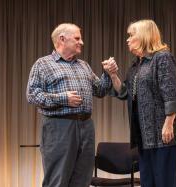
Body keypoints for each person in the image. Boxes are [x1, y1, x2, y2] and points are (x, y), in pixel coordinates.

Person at [26, 23, 117, 187]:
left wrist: (108, 74)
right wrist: (63, 99)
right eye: (77, 38)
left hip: (86, 126)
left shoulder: (83, 65)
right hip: (59, 126)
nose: (81, 42)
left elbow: (101, 91)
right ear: (62, 39)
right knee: (58, 178)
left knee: (83, 178)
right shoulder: (43, 64)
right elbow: (32, 95)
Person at [103, 19, 176, 187]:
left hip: (164, 135)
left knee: (166, 182)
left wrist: (169, 123)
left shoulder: (162, 58)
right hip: (144, 137)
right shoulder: (136, 65)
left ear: (144, 36)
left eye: (131, 35)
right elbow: (125, 93)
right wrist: (113, 75)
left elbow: (172, 92)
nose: (127, 39)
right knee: (148, 183)